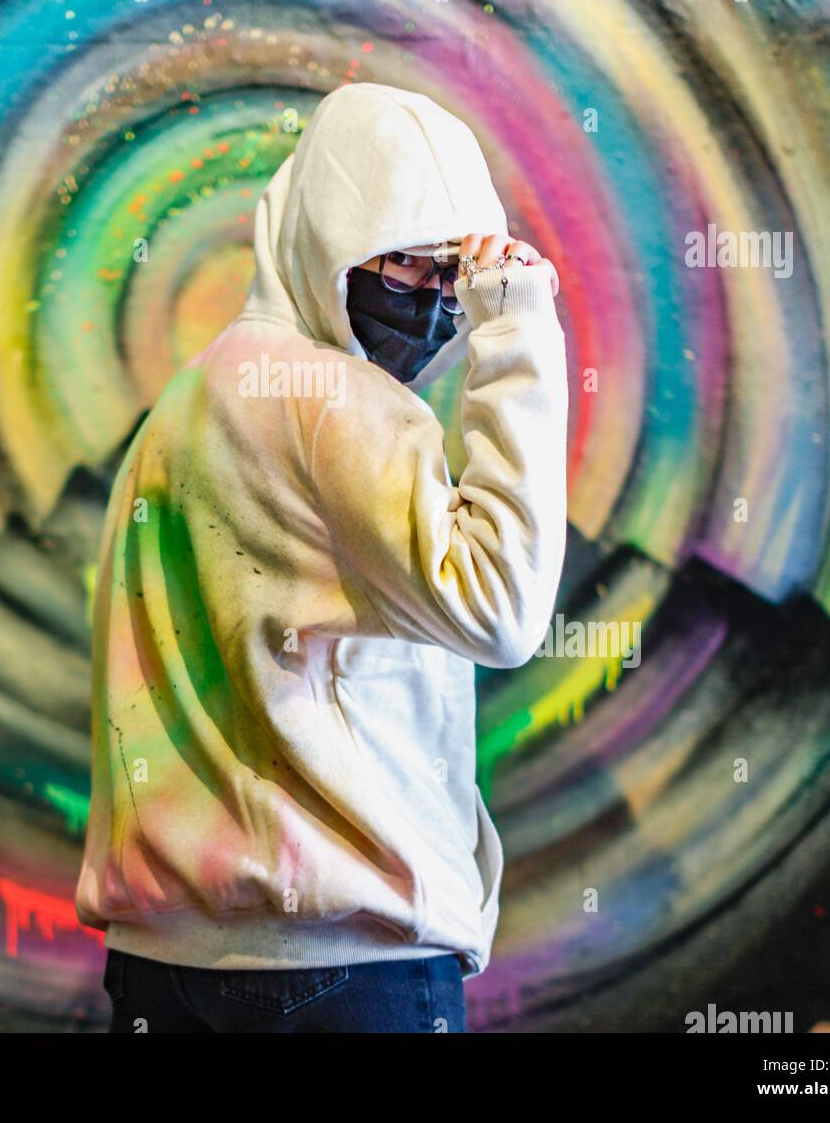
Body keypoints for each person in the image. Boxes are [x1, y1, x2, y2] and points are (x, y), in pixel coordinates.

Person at [76, 82, 569, 1033]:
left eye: (449, 280)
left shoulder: (180, 410)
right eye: (405, 267)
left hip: (161, 969)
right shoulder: (336, 403)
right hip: (344, 971)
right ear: (331, 242)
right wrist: (516, 331)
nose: (432, 304)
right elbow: (503, 608)